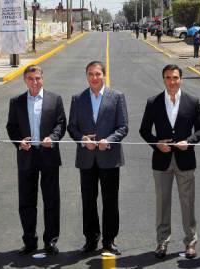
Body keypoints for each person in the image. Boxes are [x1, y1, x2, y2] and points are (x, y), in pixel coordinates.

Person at [139, 64, 200, 260]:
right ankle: (162, 242)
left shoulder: (192, 102)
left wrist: (190, 142)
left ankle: (191, 243)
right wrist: (156, 144)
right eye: (168, 78)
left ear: (181, 79)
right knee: (162, 203)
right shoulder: (153, 102)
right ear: (163, 80)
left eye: (175, 77)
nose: (172, 81)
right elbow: (144, 130)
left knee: (188, 203)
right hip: (161, 161)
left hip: (185, 160)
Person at [67, 61, 128, 256]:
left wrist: (108, 140)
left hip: (109, 158)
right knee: (88, 200)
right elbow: (72, 127)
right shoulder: (78, 99)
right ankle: (91, 239)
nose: (94, 78)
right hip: (86, 159)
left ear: (104, 75)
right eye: (91, 74)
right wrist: (83, 140)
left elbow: (123, 127)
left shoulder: (117, 97)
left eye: (98, 74)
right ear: (86, 76)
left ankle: (109, 240)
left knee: (110, 200)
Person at [6, 65, 67, 256]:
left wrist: (53, 138)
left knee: (51, 201)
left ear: (43, 78)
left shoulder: (54, 99)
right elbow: (12, 127)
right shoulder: (16, 102)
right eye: (31, 78)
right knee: (26, 202)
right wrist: (19, 143)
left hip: (48, 156)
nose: (35, 82)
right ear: (25, 80)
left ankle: (50, 241)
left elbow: (61, 123)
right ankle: (29, 241)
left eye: (38, 78)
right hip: (27, 157)